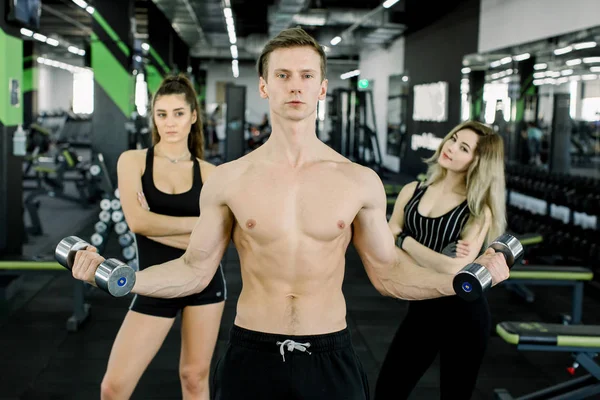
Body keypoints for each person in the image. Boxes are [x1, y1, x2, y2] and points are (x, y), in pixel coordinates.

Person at [70, 28, 510, 400]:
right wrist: (122, 277)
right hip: (251, 353)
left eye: (306, 76)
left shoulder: (358, 180)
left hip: (330, 355)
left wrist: (458, 280)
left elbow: (389, 271)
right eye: (282, 75)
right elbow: (194, 270)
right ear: (265, 86)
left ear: (321, 87)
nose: (295, 86)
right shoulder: (229, 179)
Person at [101, 74, 227, 400]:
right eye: (162, 114)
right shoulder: (133, 162)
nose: (169, 123)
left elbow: (218, 241)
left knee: (194, 379)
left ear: (193, 116)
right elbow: (138, 222)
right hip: (154, 281)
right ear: (153, 117)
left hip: (205, 283)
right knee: (113, 388)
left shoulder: (211, 173)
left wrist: (165, 224)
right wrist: (198, 225)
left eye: (178, 113)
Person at [375, 120, 506, 400]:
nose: (451, 148)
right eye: (453, 139)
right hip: (422, 307)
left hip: (464, 313)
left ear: (477, 161)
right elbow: (383, 247)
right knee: (388, 391)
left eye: (464, 148)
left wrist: (404, 240)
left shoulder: (477, 210)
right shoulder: (413, 190)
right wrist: (418, 251)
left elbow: (456, 270)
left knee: (455, 395)